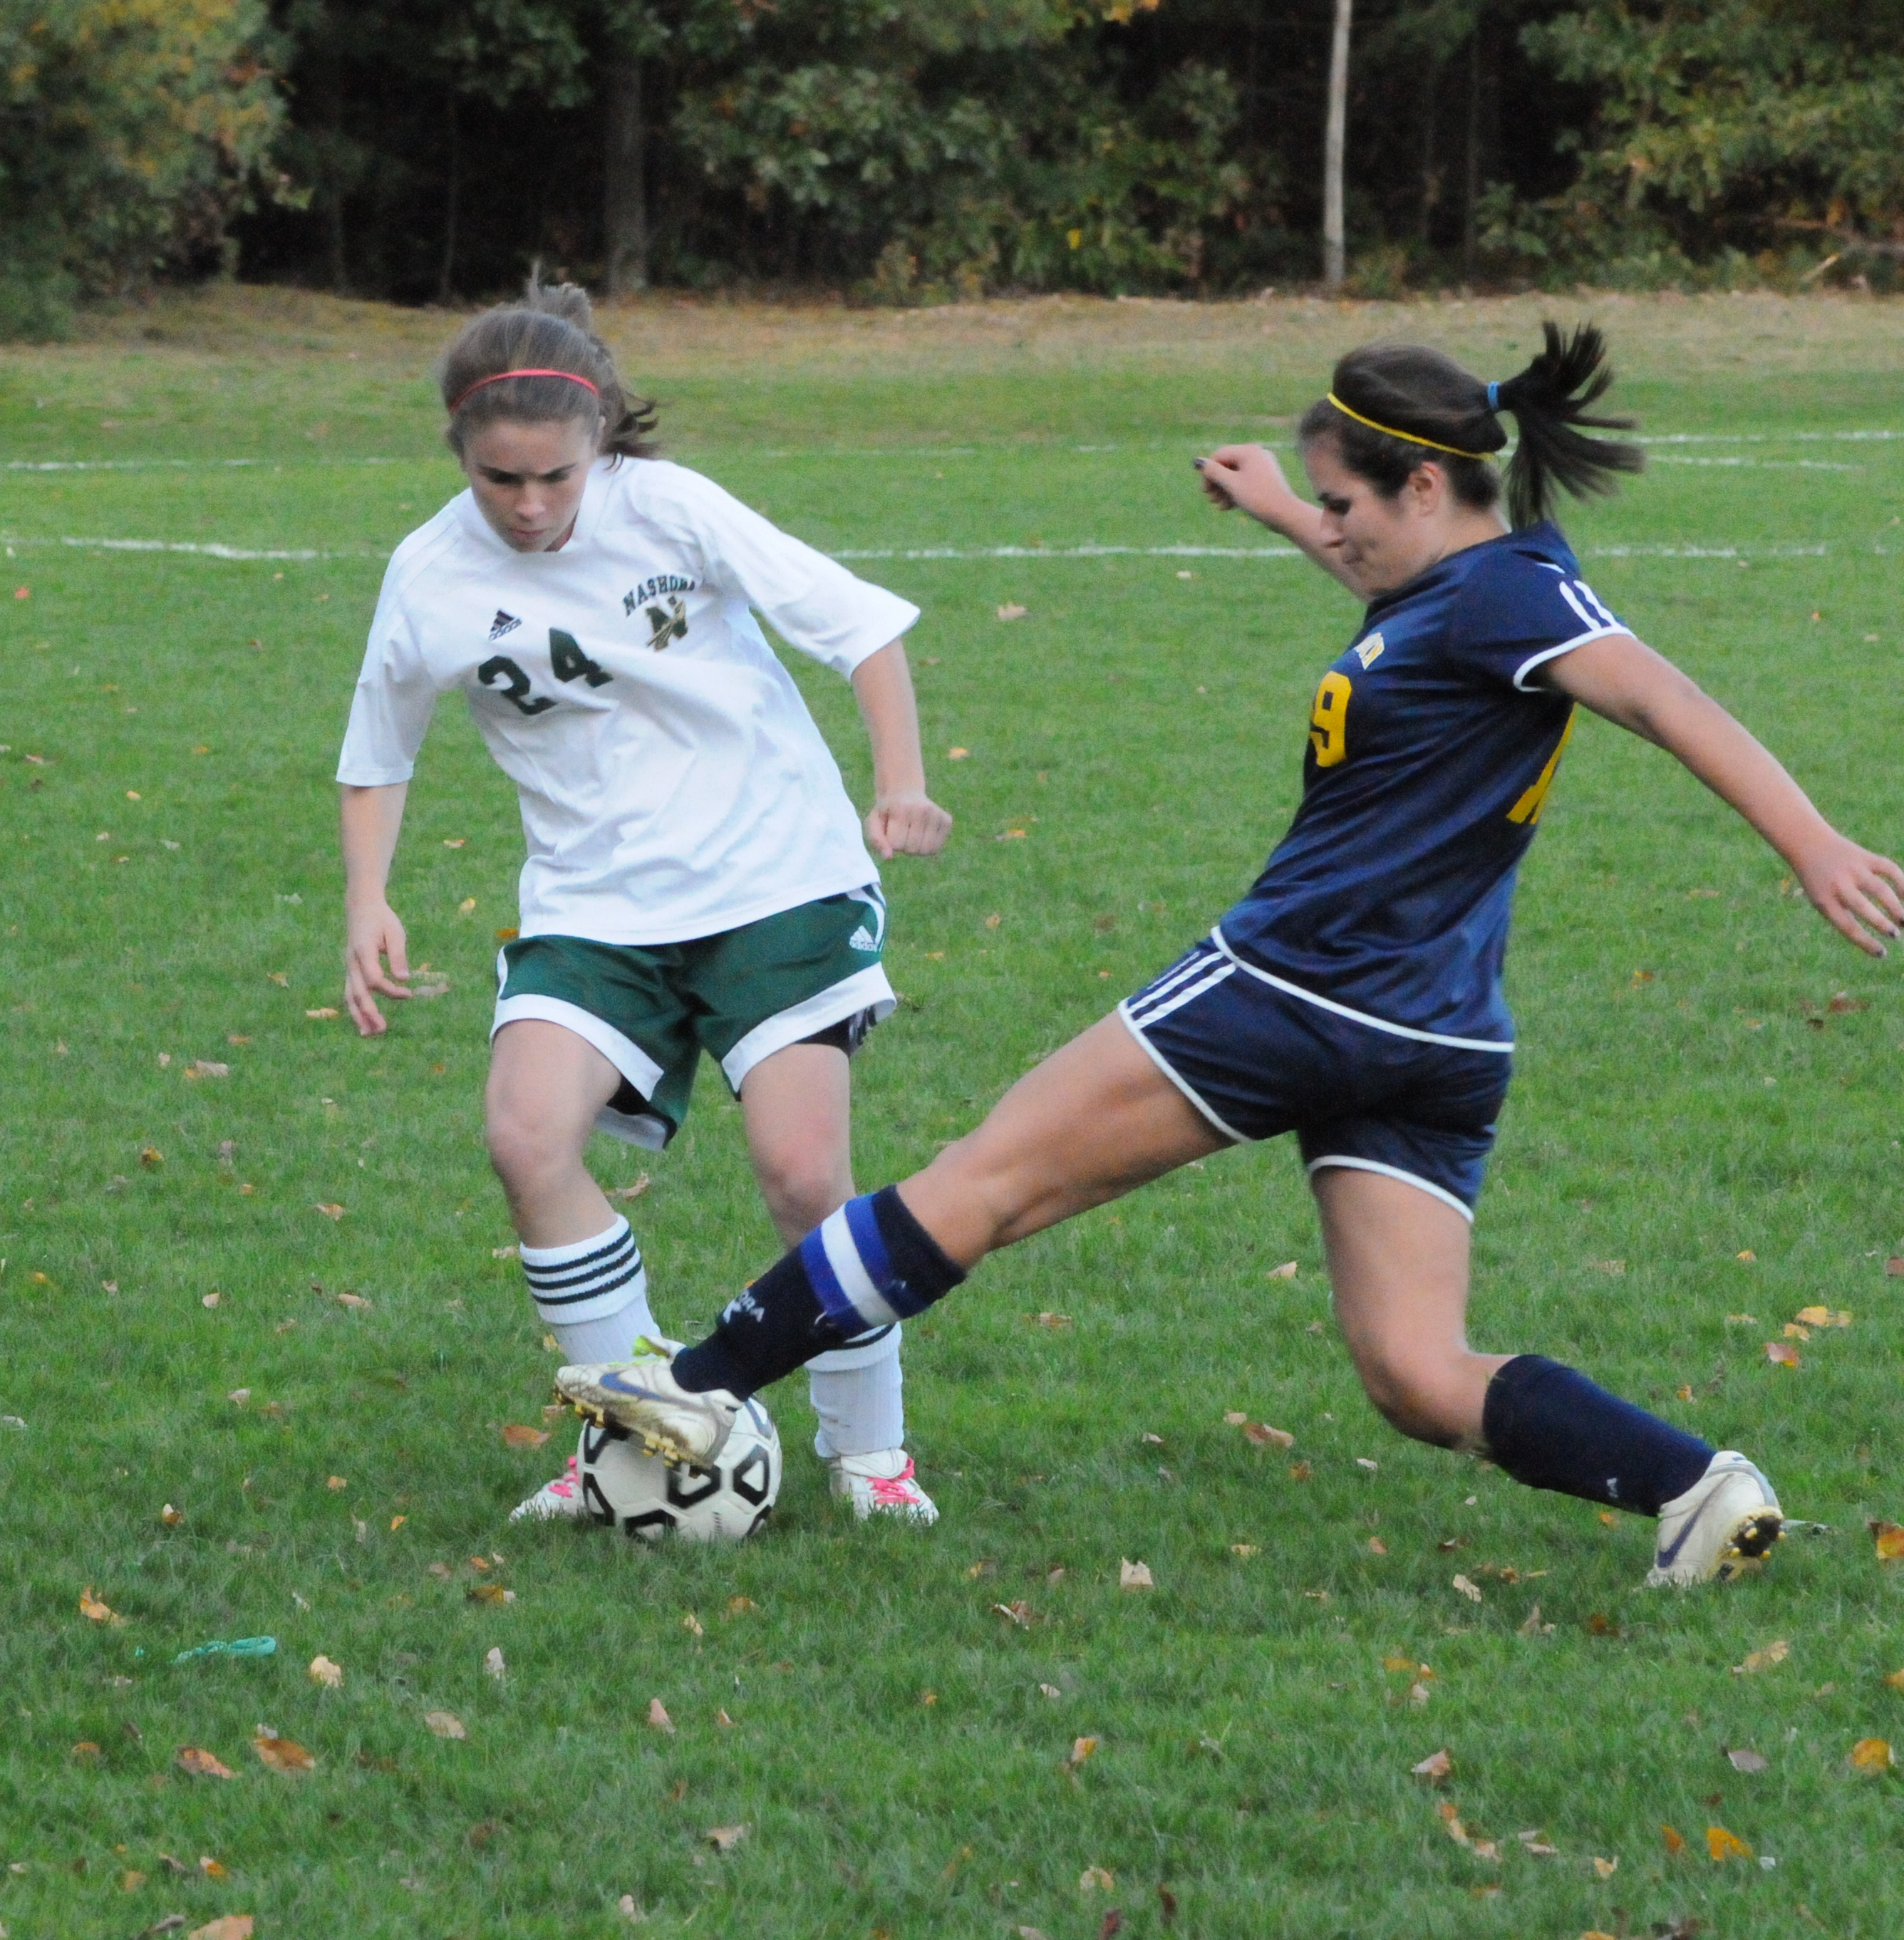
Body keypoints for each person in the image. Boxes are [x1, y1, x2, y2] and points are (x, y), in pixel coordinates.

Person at [556, 323, 1904, 1588]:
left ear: (1423, 486)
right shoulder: (1479, 585)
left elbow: (1661, 697)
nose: (1334, 525)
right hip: (1434, 1032)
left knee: (984, 1181)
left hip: (1292, 987)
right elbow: (1412, 606)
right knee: (1415, 1372)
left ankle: (701, 1379)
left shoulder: (1505, 600)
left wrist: (1813, 844)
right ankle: (1694, 1486)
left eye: (1344, 503)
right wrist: (1281, 513)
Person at [338, 281, 953, 1525]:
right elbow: (378, 747)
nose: (529, 504)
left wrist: (900, 782)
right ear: (457, 453)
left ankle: (869, 1452)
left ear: (598, 440)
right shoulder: (427, 572)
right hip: (590, 904)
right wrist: (369, 899)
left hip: (774, 876)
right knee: (525, 1138)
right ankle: (640, 1427)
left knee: (801, 1175)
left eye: (554, 477)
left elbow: (859, 630)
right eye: (499, 479)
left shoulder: (668, 506)